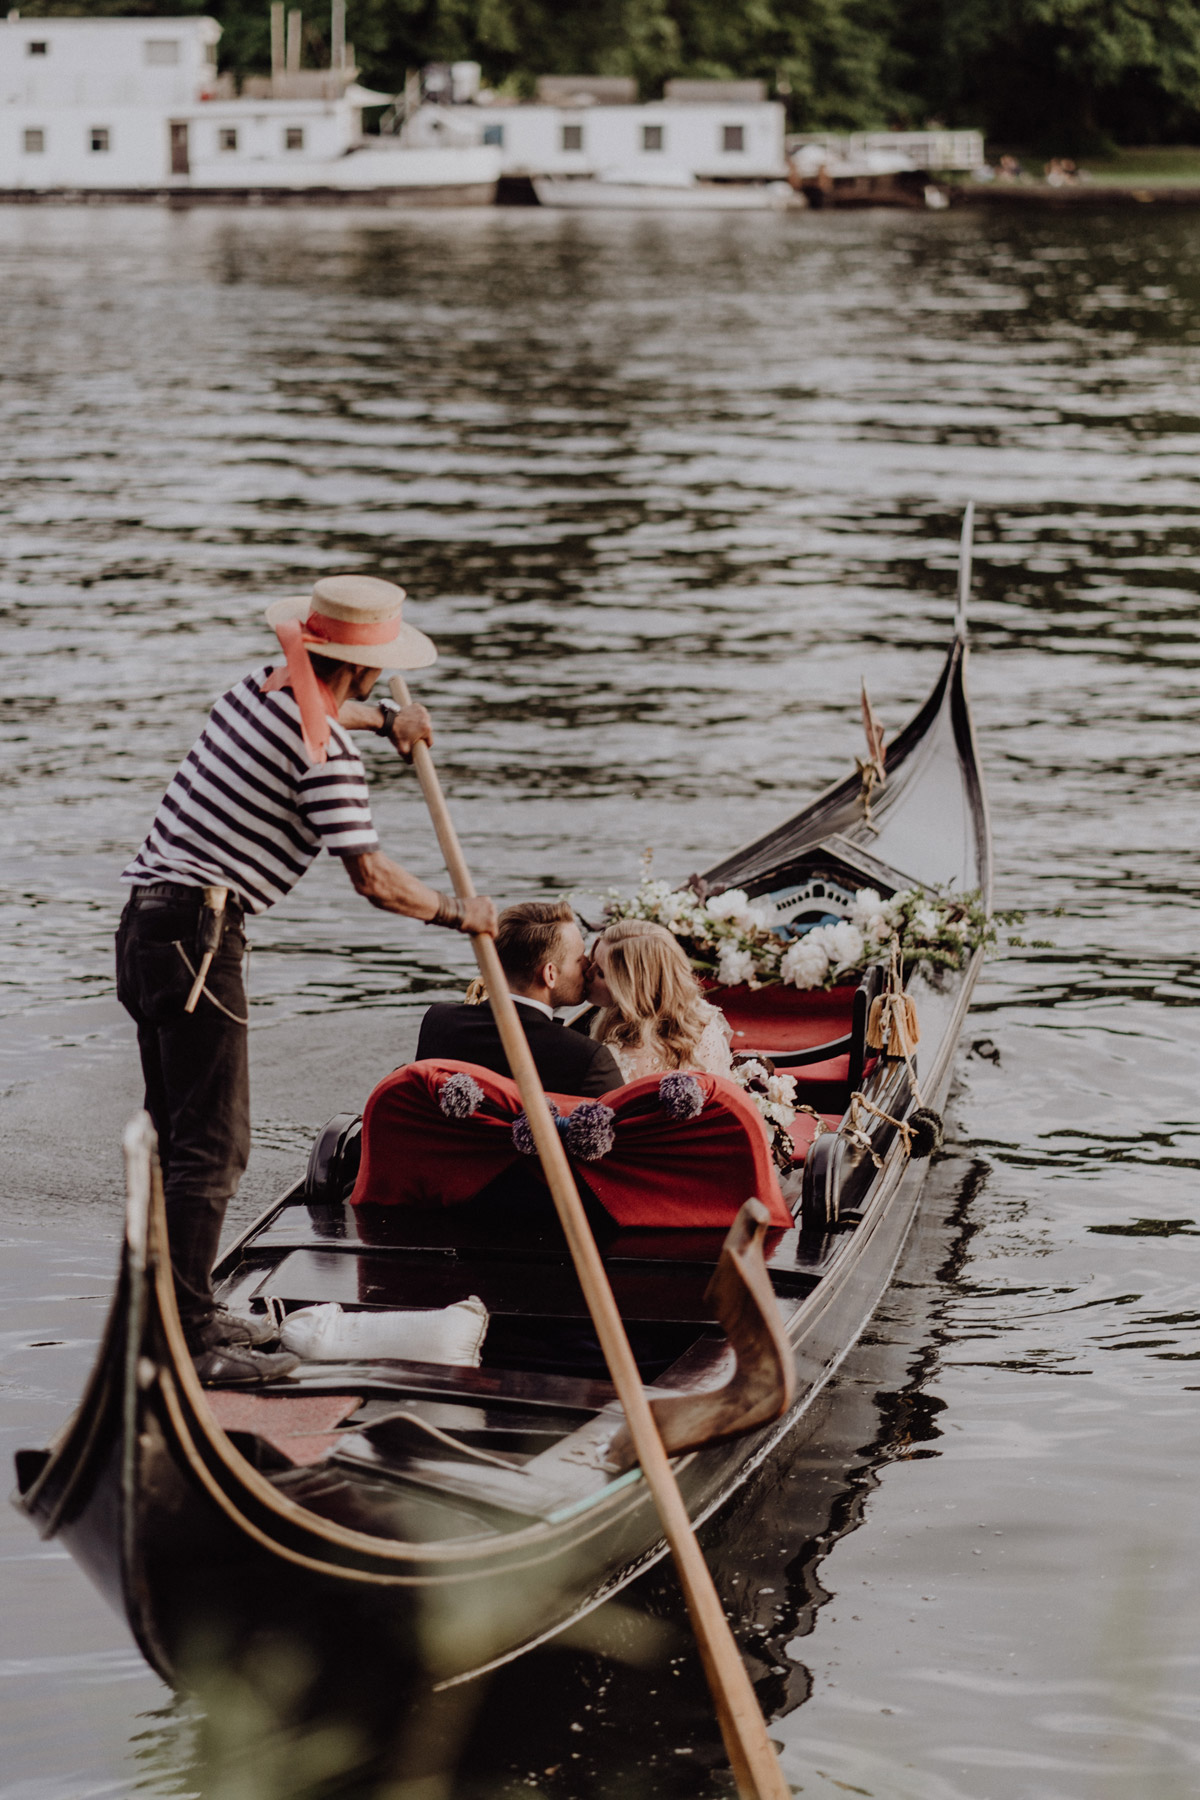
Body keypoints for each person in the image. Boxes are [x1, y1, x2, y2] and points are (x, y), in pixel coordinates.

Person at [116, 574, 497, 1381]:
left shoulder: (255, 689)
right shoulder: (327, 758)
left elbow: (325, 709)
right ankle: (181, 1340)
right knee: (213, 1148)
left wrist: (390, 719)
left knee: (176, 1140)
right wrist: (461, 913)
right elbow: (374, 879)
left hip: (147, 926)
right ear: (360, 665)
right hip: (198, 936)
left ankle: (169, 1314)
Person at [416, 899, 623, 1097]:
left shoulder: (438, 1021)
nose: (588, 967)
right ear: (549, 974)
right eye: (580, 958)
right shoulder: (587, 1059)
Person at [585, 919, 732, 1083]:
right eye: (592, 961)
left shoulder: (622, 1057)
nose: (587, 973)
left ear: (634, 989)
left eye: (601, 973)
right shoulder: (702, 1022)